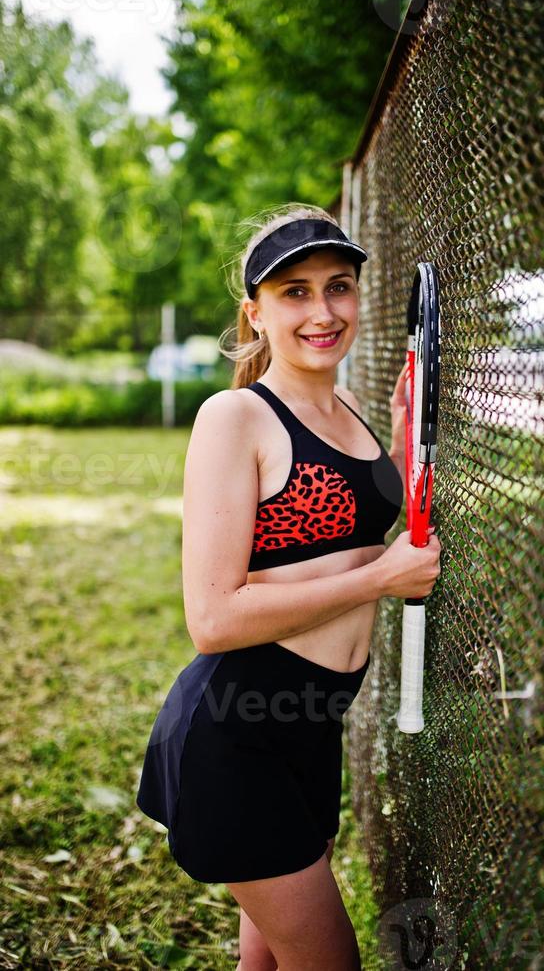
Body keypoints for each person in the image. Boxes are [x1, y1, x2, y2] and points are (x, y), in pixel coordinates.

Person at [136, 204, 441, 970]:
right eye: (294, 292)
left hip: (312, 730)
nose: (322, 310)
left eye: (337, 287)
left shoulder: (351, 417)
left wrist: (399, 446)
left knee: (266, 961)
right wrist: (380, 578)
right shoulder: (235, 417)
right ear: (256, 312)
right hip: (236, 731)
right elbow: (213, 617)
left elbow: (336, 534)